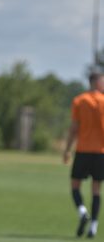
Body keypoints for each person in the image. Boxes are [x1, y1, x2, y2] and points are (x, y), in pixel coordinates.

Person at [63, 72, 104, 238]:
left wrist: (67, 149)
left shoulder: (79, 100)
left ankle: (82, 211)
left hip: (82, 150)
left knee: (75, 186)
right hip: (101, 152)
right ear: (95, 82)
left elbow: (74, 128)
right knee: (96, 190)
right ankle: (93, 225)